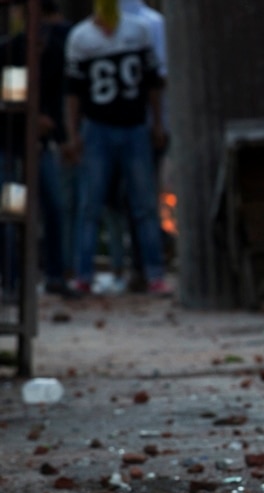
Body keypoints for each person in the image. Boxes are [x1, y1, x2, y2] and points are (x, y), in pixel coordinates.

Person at [64, 0, 170, 296]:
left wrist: (157, 123)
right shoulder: (81, 37)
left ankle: (154, 272)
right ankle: (84, 274)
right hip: (98, 126)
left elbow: (152, 83)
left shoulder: (138, 31)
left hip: (134, 125)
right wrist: (75, 134)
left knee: (144, 205)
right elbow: (73, 92)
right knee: (91, 205)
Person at [0, 0, 75, 299]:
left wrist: (56, 129)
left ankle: (55, 275)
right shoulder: (11, 52)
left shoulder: (55, 53)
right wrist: (34, 117)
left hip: (39, 146)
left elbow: (58, 100)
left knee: (53, 208)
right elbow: (12, 100)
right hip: (12, 147)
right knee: (12, 211)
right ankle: (11, 281)